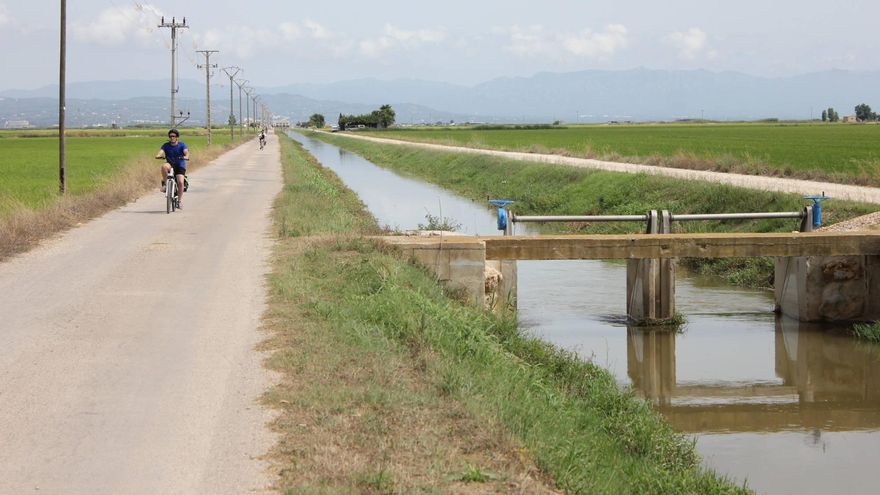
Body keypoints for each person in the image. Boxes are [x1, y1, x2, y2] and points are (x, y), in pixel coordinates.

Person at [156, 128, 189, 209]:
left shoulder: (182, 145)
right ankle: (166, 184)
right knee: (164, 166)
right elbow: (161, 151)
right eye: (170, 136)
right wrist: (158, 155)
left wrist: (186, 156)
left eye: (173, 136)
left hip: (180, 165)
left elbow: (186, 152)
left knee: (180, 182)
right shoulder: (166, 145)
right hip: (170, 164)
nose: (172, 138)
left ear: (177, 137)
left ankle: (179, 201)